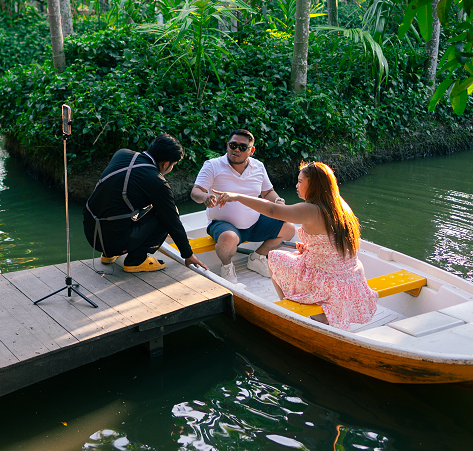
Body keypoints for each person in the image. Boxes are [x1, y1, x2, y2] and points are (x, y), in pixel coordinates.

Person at [211, 162, 378, 330]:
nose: (296, 186)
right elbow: (332, 243)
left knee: (275, 257)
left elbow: (273, 211)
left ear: (312, 184)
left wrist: (238, 197)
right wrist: (309, 248)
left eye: (300, 181)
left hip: (327, 280)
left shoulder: (310, 209)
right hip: (351, 275)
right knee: (295, 257)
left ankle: (291, 309)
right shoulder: (340, 205)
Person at [83, 133, 209, 273]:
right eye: (173, 165)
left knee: (122, 203)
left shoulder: (122, 154)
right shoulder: (156, 181)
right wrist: (188, 254)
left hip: (91, 233)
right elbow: (172, 221)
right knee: (166, 215)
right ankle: (136, 260)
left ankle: (109, 255)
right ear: (166, 164)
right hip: (114, 241)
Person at [191, 130, 295, 284]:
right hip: (223, 224)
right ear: (227, 146)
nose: (236, 150)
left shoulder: (258, 166)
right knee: (228, 238)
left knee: (289, 228)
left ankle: (257, 257)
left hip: (255, 221)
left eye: (242, 147)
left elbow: (268, 192)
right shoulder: (213, 165)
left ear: (251, 150)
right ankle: (227, 266)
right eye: (233, 145)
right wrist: (205, 197)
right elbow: (195, 192)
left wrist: (279, 201)